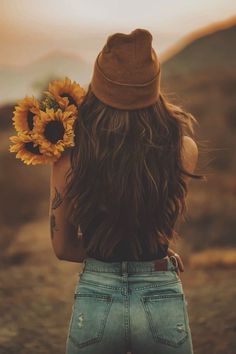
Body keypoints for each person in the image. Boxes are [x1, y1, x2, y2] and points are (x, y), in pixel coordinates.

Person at [49, 28, 205, 354]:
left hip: (96, 294)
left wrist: (112, 261)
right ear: (155, 89)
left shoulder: (69, 158)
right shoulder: (183, 149)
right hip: (160, 290)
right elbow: (152, 222)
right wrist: (151, 260)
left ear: (97, 85)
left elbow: (63, 247)